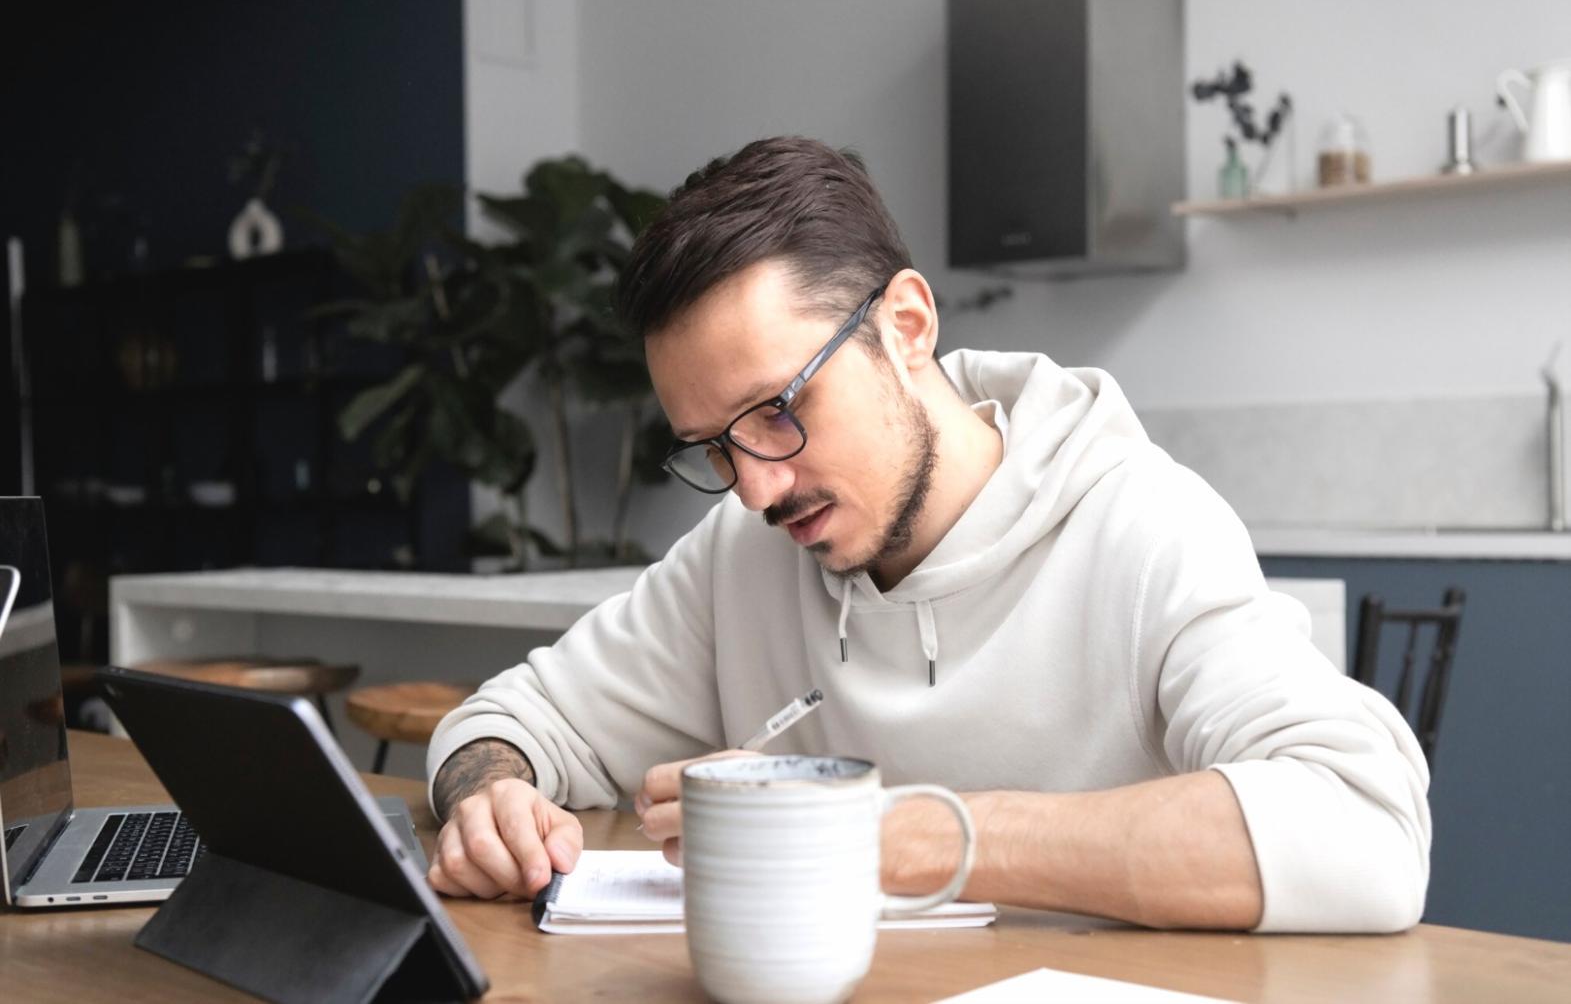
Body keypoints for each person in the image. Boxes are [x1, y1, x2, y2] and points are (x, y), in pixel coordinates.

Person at [424, 136, 1429, 932]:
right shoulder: (742, 555)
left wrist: (888, 834)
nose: (756, 488)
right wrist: (490, 799)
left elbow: (1363, 831)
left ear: (905, 326)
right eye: (715, 446)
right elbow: (504, 721)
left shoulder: (1140, 525)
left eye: (777, 407)